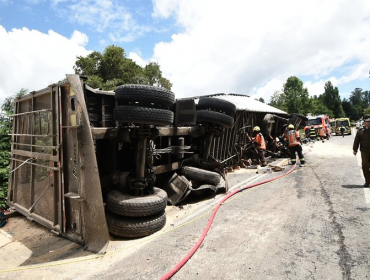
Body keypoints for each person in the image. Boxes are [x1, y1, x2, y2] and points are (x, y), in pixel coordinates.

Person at [353, 118, 370, 187]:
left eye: (369, 122)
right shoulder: (361, 131)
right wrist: (355, 149)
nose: (368, 123)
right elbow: (357, 140)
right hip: (364, 151)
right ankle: (368, 181)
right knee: (365, 165)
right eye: (367, 122)